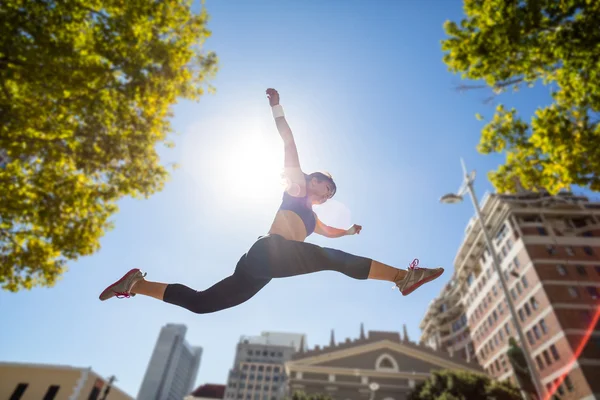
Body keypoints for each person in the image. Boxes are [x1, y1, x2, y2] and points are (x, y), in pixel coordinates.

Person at [99, 89, 444, 312]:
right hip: (269, 251)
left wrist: (350, 231)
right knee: (331, 260)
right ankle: (402, 277)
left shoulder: (312, 218)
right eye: (325, 186)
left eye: (330, 194)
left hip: (261, 267)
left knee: (203, 304)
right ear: (314, 180)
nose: (326, 193)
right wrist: (277, 108)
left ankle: (136, 284)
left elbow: (330, 233)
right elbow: (289, 142)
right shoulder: (295, 186)